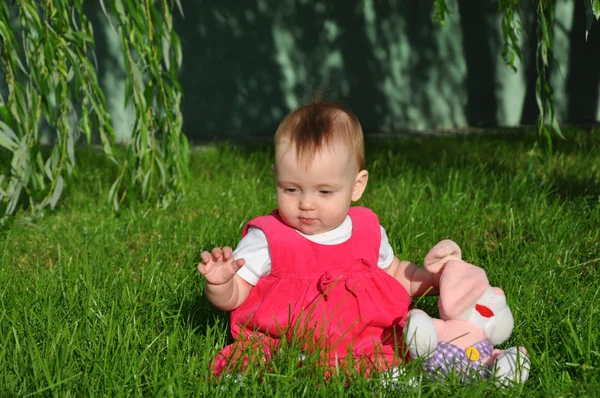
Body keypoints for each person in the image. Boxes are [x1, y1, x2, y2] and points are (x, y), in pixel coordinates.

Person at [198, 100, 440, 377]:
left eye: (324, 192)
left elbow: (395, 273)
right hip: (282, 346)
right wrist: (221, 284)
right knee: (257, 363)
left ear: (356, 186)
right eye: (291, 189)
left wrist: (435, 280)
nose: (306, 204)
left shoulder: (367, 231)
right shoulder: (268, 238)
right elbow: (236, 297)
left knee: (389, 354)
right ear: (276, 178)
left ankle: (385, 380)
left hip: (361, 343)